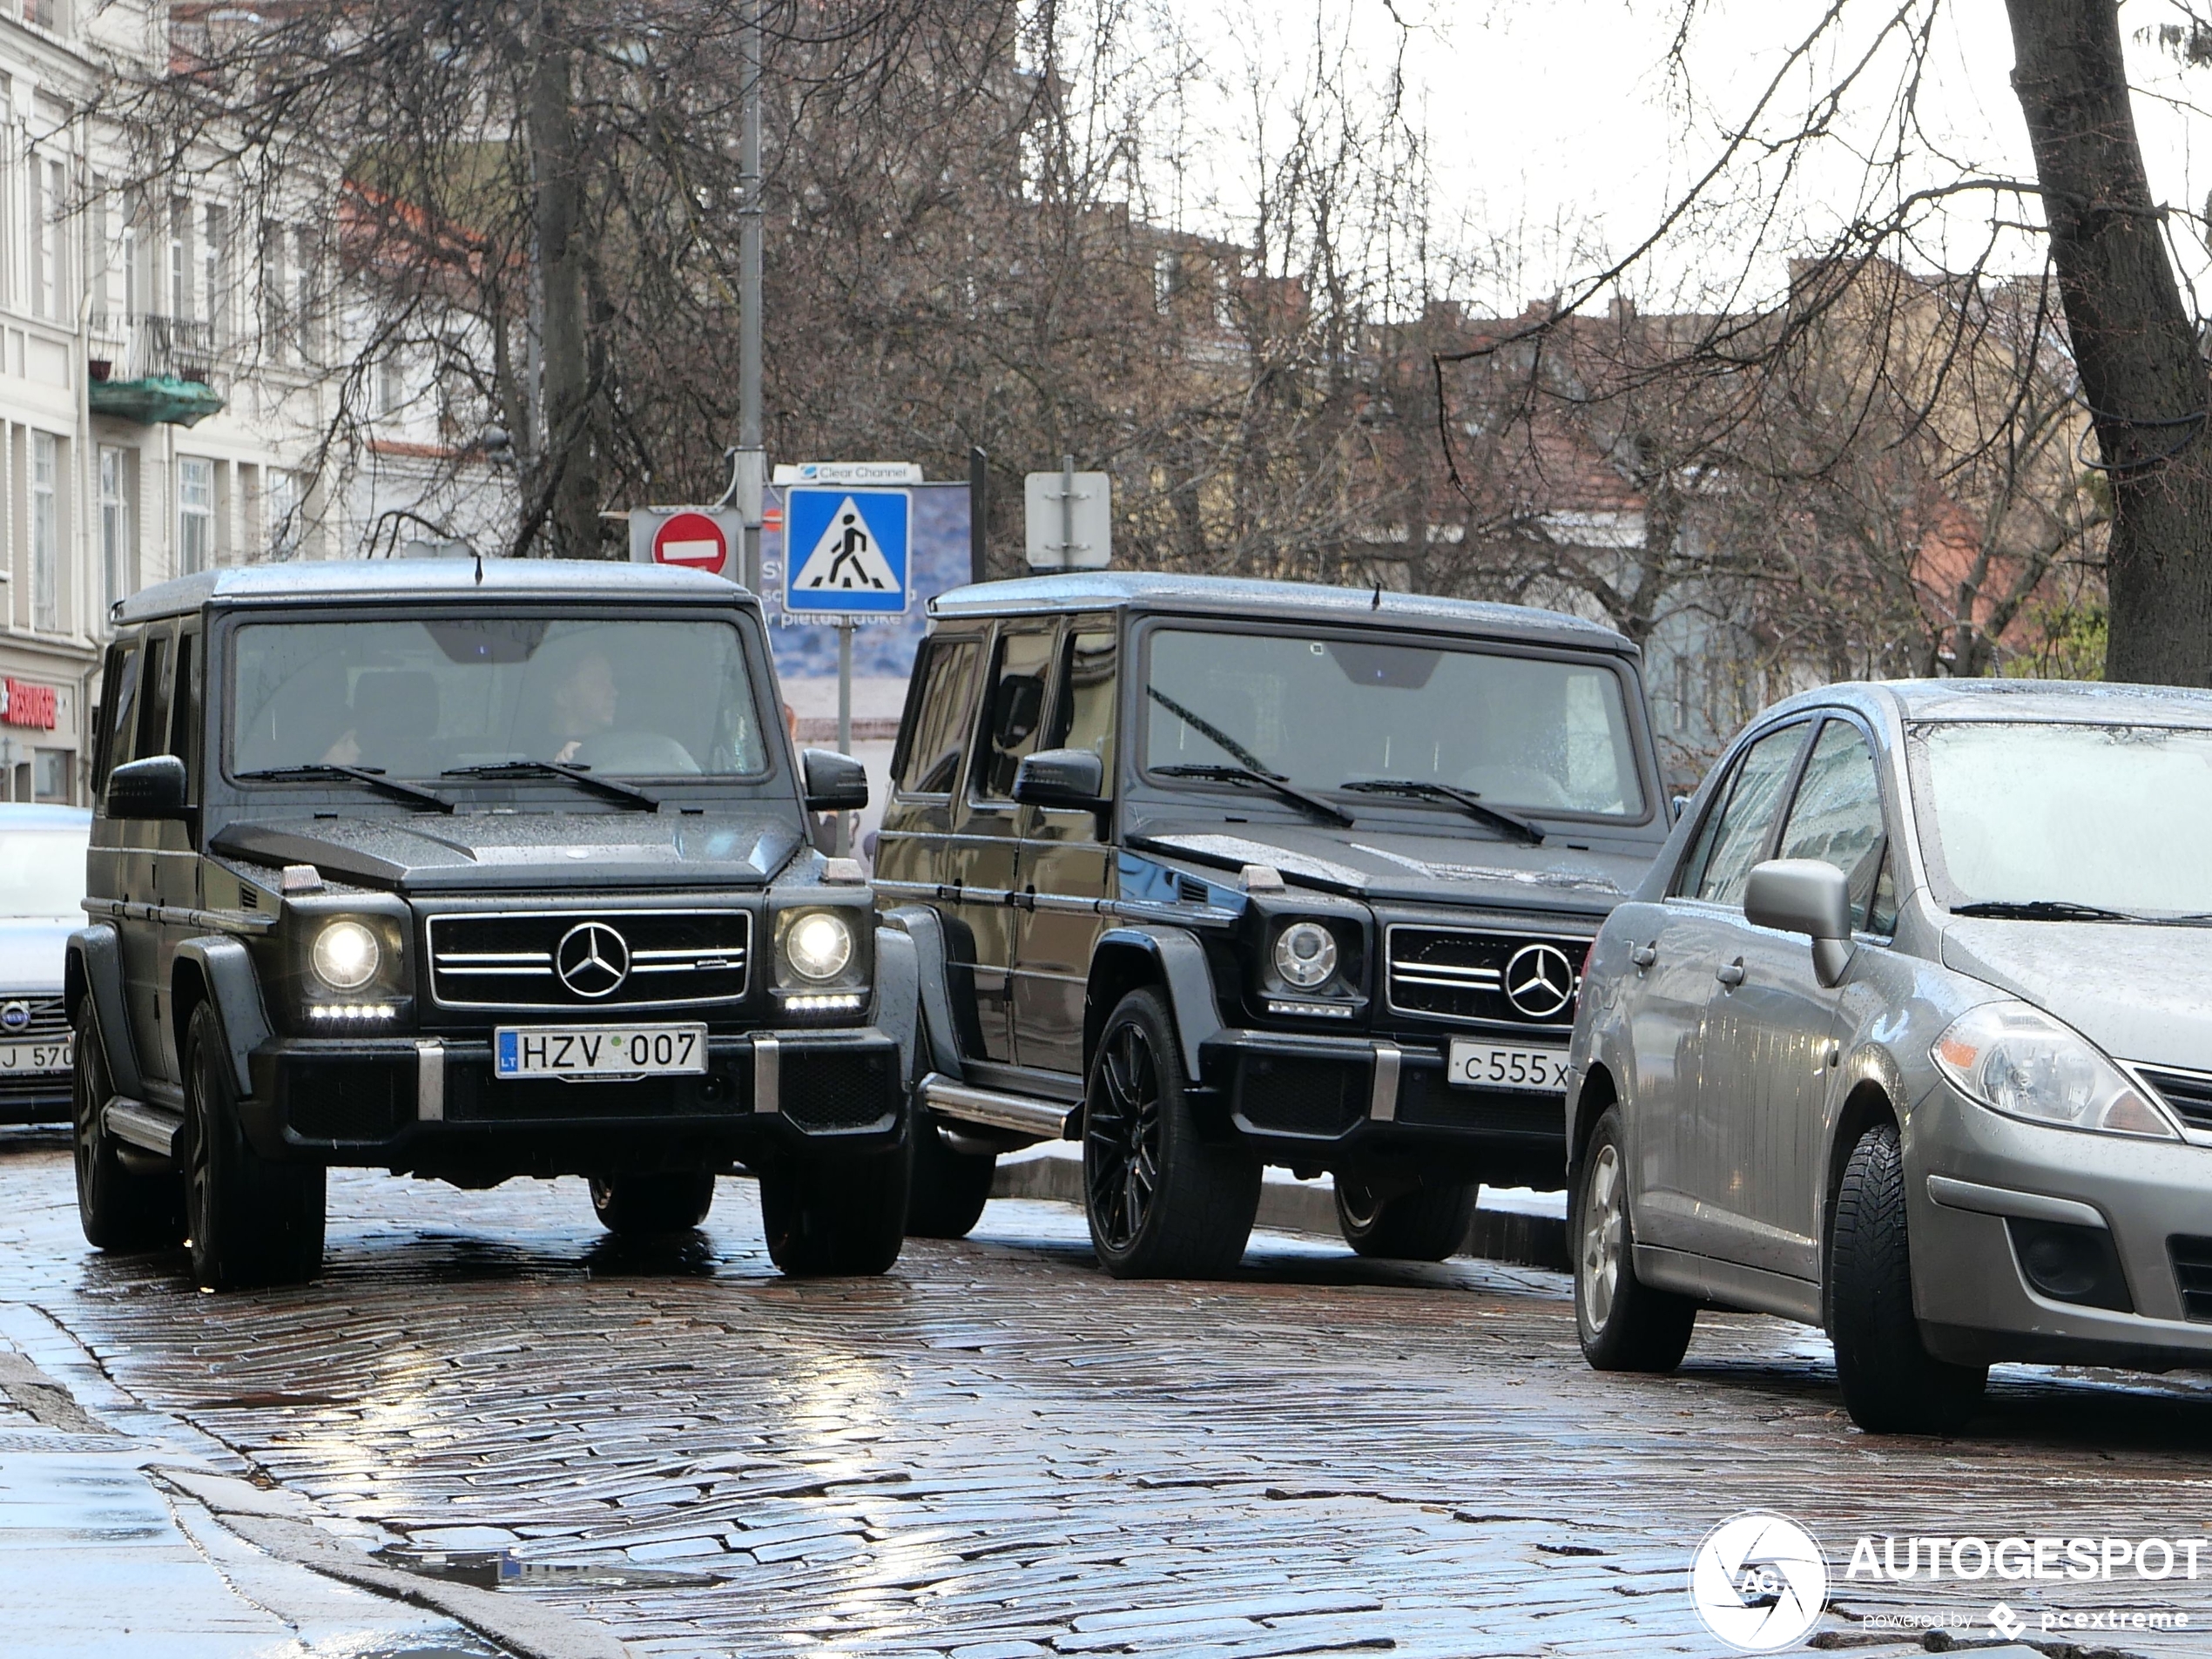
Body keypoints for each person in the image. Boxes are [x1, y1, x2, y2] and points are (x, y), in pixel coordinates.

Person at [548, 650, 619, 763]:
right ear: (562, 694)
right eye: (597, 683)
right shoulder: (525, 756)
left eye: (611, 681)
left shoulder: (622, 746)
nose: (614, 693)